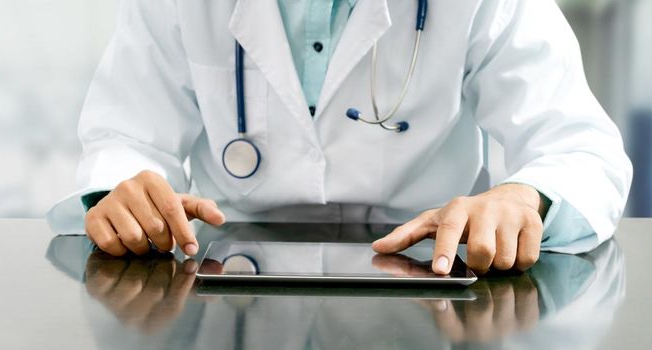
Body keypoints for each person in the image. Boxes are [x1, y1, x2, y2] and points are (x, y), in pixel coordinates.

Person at [50, 0, 632, 274]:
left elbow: (578, 148)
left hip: (433, 276)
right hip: (229, 280)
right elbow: (124, 135)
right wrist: (119, 191)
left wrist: (524, 197)